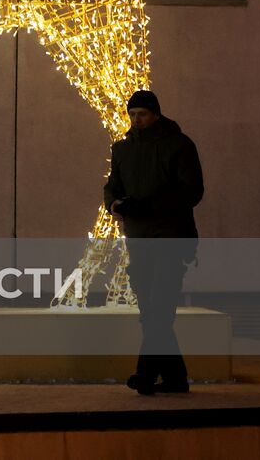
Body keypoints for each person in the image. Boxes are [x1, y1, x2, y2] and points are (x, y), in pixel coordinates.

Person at [105, 89, 205, 396]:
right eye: (132, 114)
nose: (136, 120)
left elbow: (192, 191)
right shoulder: (122, 149)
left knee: (158, 308)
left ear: (156, 115)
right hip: (139, 239)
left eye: (142, 114)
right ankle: (175, 379)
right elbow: (112, 186)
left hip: (171, 238)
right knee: (152, 310)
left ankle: (145, 373)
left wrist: (148, 206)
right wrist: (116, 205)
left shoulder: (179, 146)